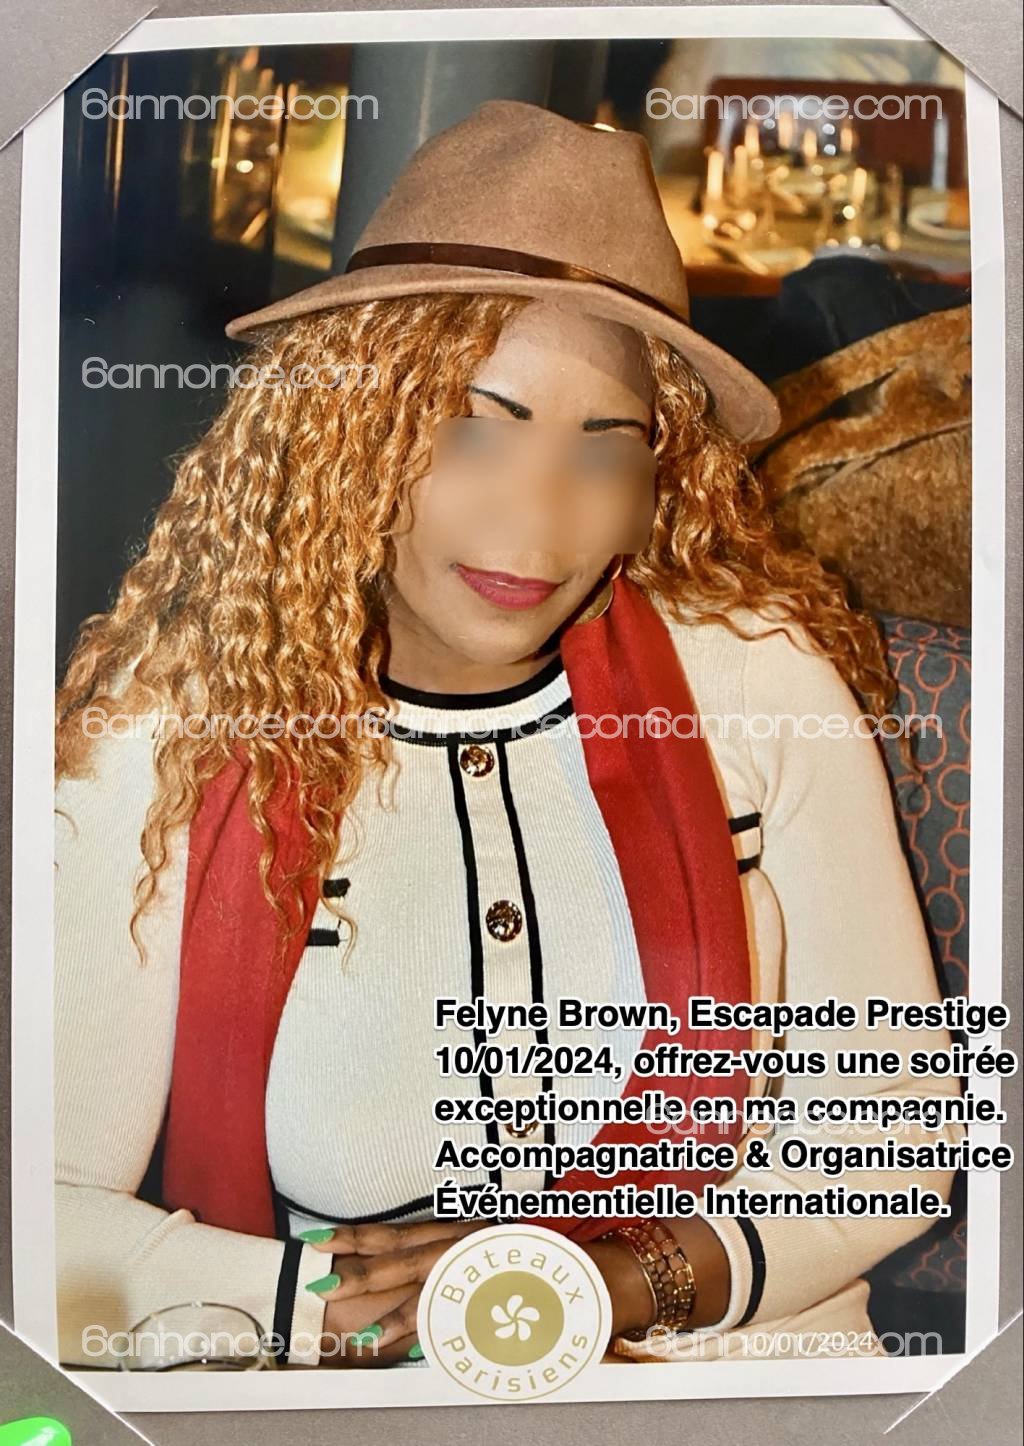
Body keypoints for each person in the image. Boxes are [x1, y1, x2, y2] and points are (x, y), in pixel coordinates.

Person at [54, 100, 961, 1370]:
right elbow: (40, 1208)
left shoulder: (755, 670)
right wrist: (333, 1306)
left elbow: (896, 1132)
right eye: (470, 429)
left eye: (603, 453)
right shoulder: (169, 730)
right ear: (342, 438)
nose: (537, 518)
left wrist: (603, 1282)